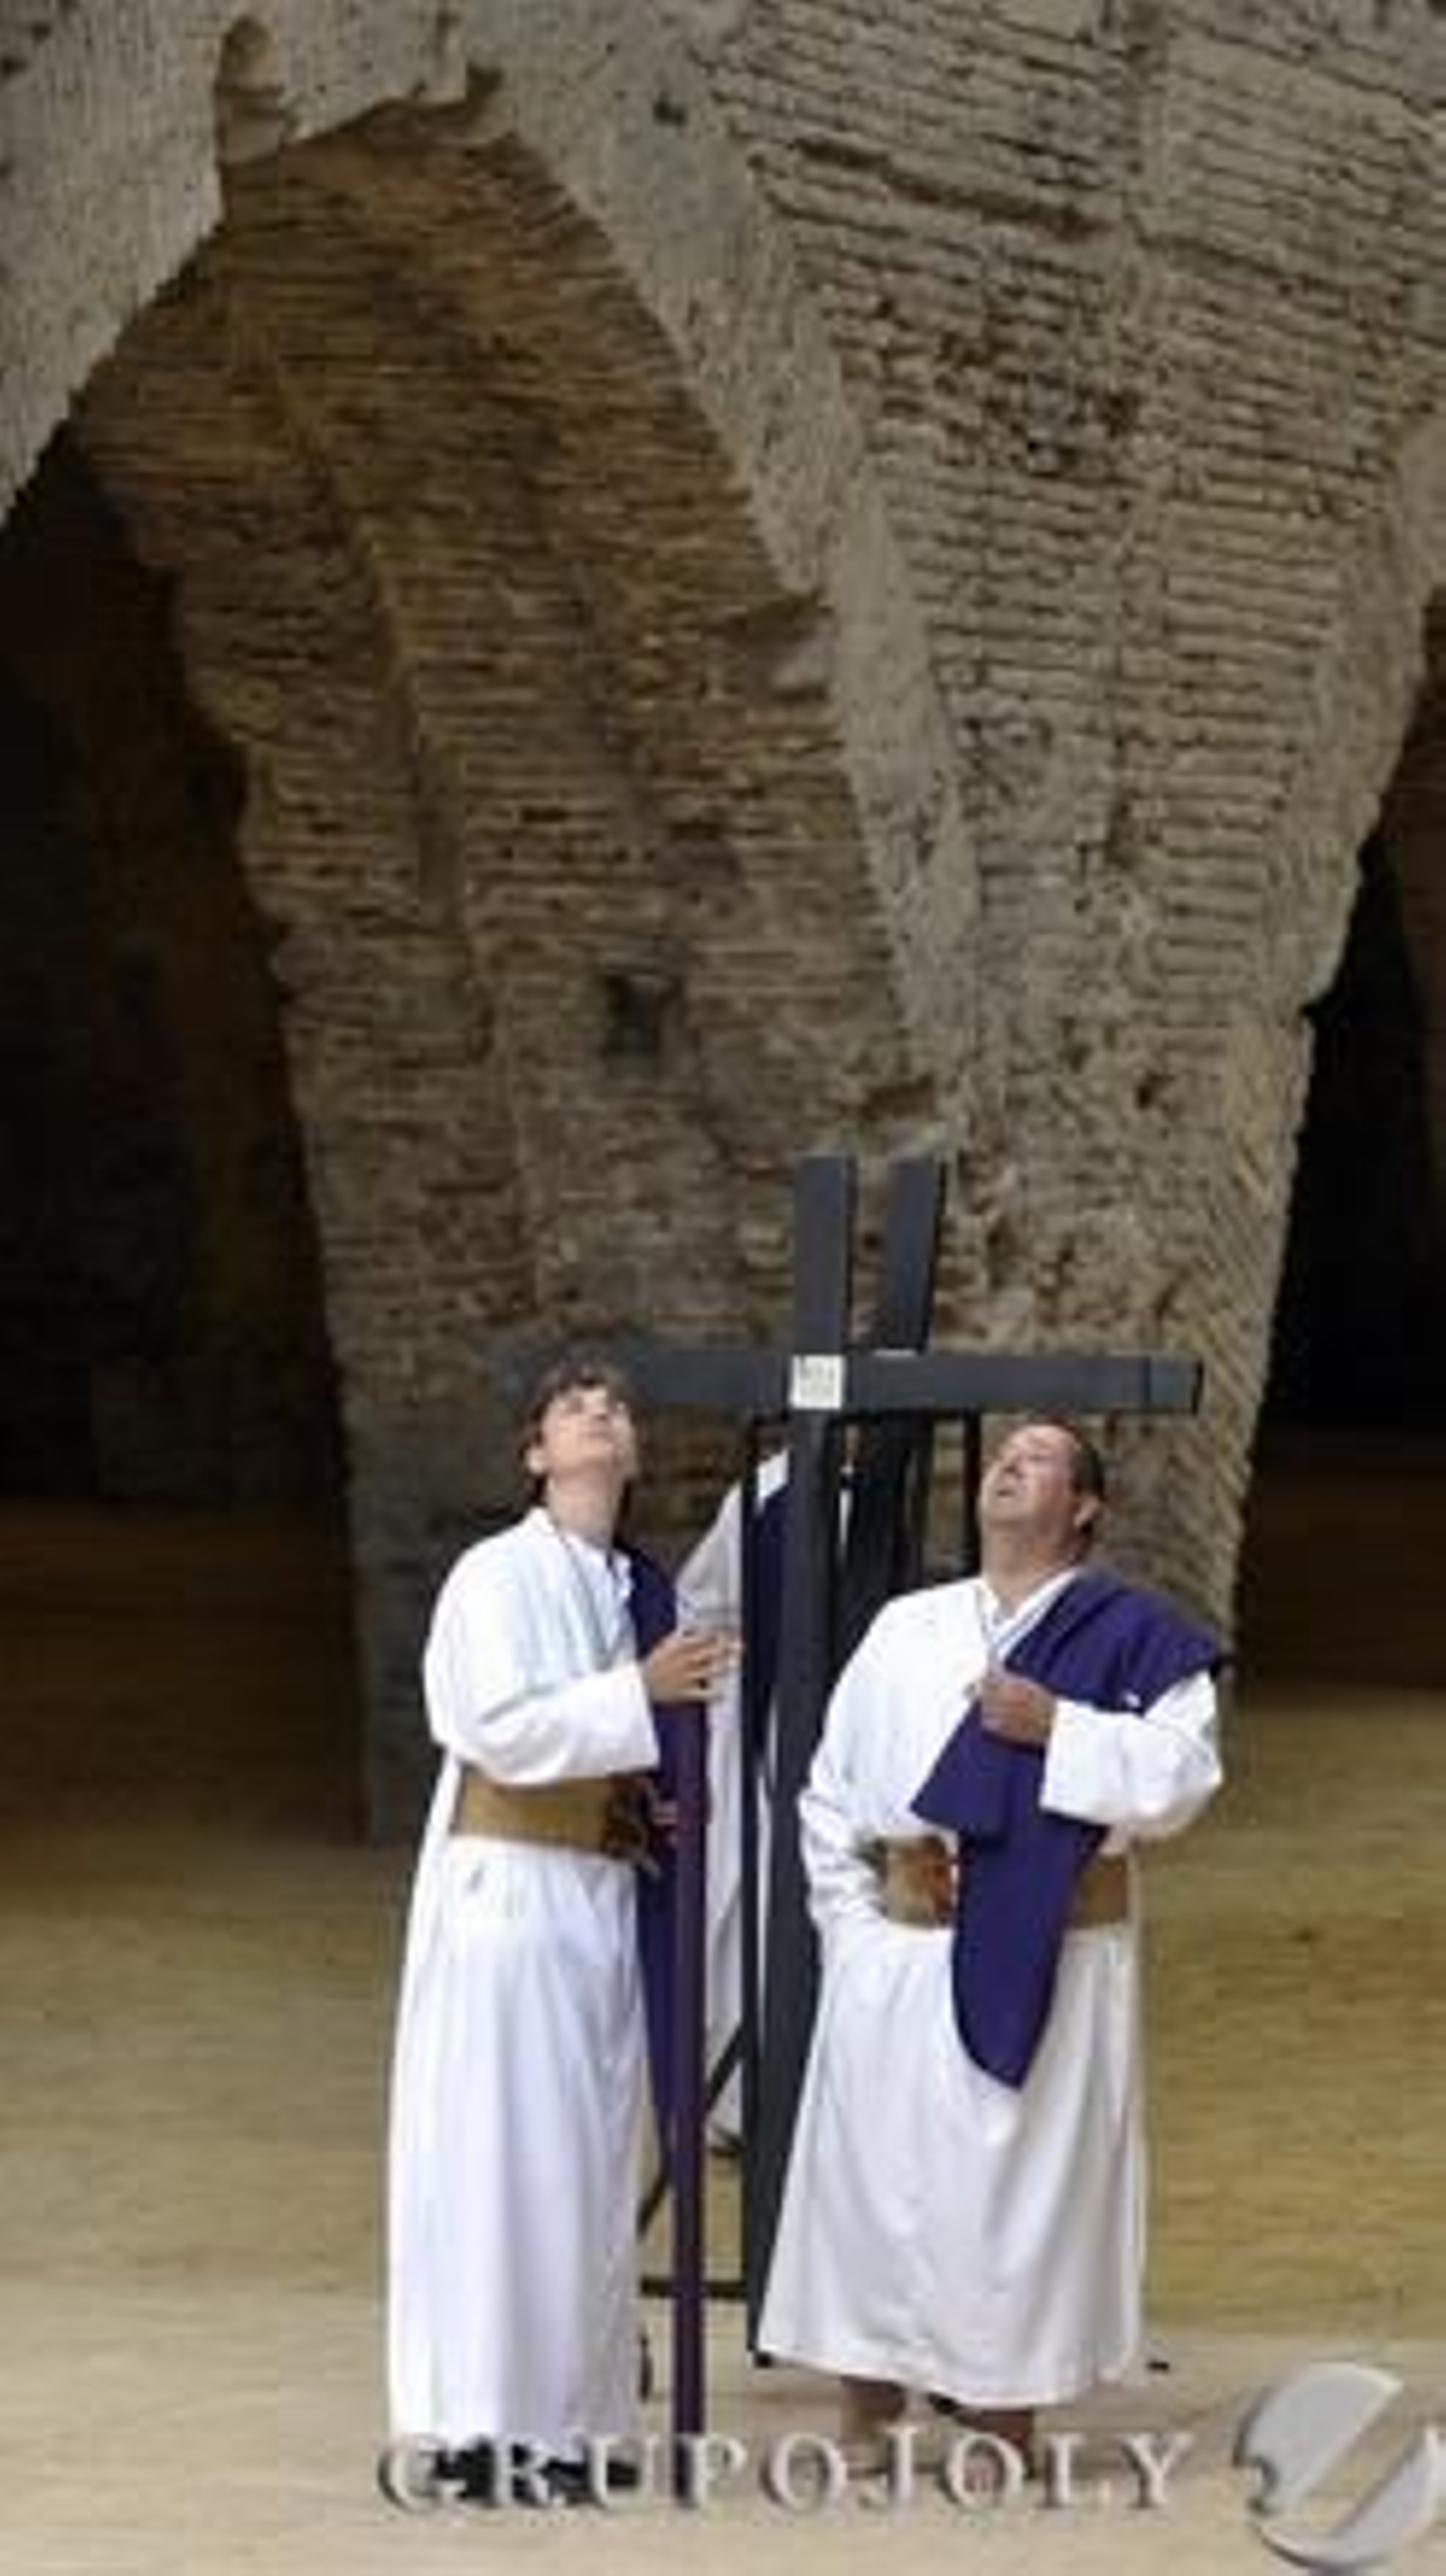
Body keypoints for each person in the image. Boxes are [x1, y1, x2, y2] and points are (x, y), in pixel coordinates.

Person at [757, 1415, 1223, 2473]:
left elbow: (1182, 1779)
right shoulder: (905, 1629)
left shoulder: (1131, 1635)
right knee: (874, 2174)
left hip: (1050, 1950)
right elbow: (828, 1789)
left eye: (1042, 1458)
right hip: (899, 1948)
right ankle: (867, 2403)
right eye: (1005, 1455)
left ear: (1086, 1505)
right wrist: (851, 1926)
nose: (1011, 1463)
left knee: (1010, 2189)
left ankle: (1001, 2411)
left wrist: (1057, 1725)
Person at [383, 1355, 734, 2505]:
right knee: (502, 2155)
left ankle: (574, 2423)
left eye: (616, 1409)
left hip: (596, 1889)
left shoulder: (638, 1586)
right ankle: (486, 2428)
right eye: (573, 1409)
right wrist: (640, 1692)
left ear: (631, 1456)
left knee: (585, 2162)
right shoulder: (496, 1575)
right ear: (536, 1455)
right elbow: (490, 1723)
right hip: (511, 1891)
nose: (601, 1417)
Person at [674, 1451, 788, 2149]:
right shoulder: (769, 1489)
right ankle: (742, 2101)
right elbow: (705, 1603)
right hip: (762, 1717)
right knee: (748, 1904)